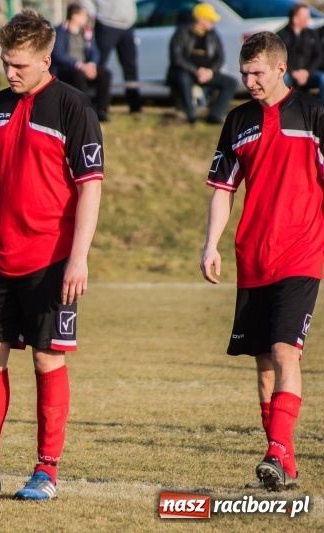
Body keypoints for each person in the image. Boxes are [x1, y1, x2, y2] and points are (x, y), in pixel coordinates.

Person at [0, 8, 103, 501]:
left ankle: (46, 471)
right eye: (7, 63)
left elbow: (90, 187)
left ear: (47, 59)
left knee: (48, 362)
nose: (11, 73)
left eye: (20, 65)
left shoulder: (74, 107)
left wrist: (79, 256)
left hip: (51, 258)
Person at [200, 31, 324, 492]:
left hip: (302, 252)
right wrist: (211, 244)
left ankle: (274, 450)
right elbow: (222, 190)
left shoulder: (313, 115)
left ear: (279, 68)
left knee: (284, 349)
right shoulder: (237, 121)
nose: (249, 80)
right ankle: (284, 462)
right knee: (263, 362)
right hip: (253, 256)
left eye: (256, 73)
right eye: (244, 72)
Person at [166, 2, 238, 125]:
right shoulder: (182, 32)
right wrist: (195, 71)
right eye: (210, 19)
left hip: (207, 73)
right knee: (184, 79)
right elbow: (177, 58)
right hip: (186, 72)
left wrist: (211, 71)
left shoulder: (213, 34)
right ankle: (191, 114)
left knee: (231, 82)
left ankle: (215, 115)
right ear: (200, 19)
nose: (213, 22)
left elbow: (220, 57)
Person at [51, 3, 112, 122]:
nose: (86, 18)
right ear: (74, 16)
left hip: (85, 66)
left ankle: (101, 110)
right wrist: (80, 65)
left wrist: (92, 65)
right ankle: (81, 109)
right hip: (67, 67)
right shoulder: (60, 32)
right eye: (84, 15)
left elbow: (94, 51)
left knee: (105, 74)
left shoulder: (86, 32)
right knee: (77, 75)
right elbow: (58, 54)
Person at [80, 0, 142, 113]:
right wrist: (93, 12)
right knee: (99, 65)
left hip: (127, 26)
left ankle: (135, 106)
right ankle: (94, 105)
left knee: (130, 67)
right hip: (107, 24)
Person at [276, 3, 324, 99]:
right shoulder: (282, 35)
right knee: (283, 79)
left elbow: (319, 56)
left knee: (322, 78)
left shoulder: (311, 34)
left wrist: (307, 72)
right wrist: (293, 72)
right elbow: (278, 58)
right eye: (306, 16)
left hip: (308, 72)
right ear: (295, 19)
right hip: (289, 73)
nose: (309, 18)